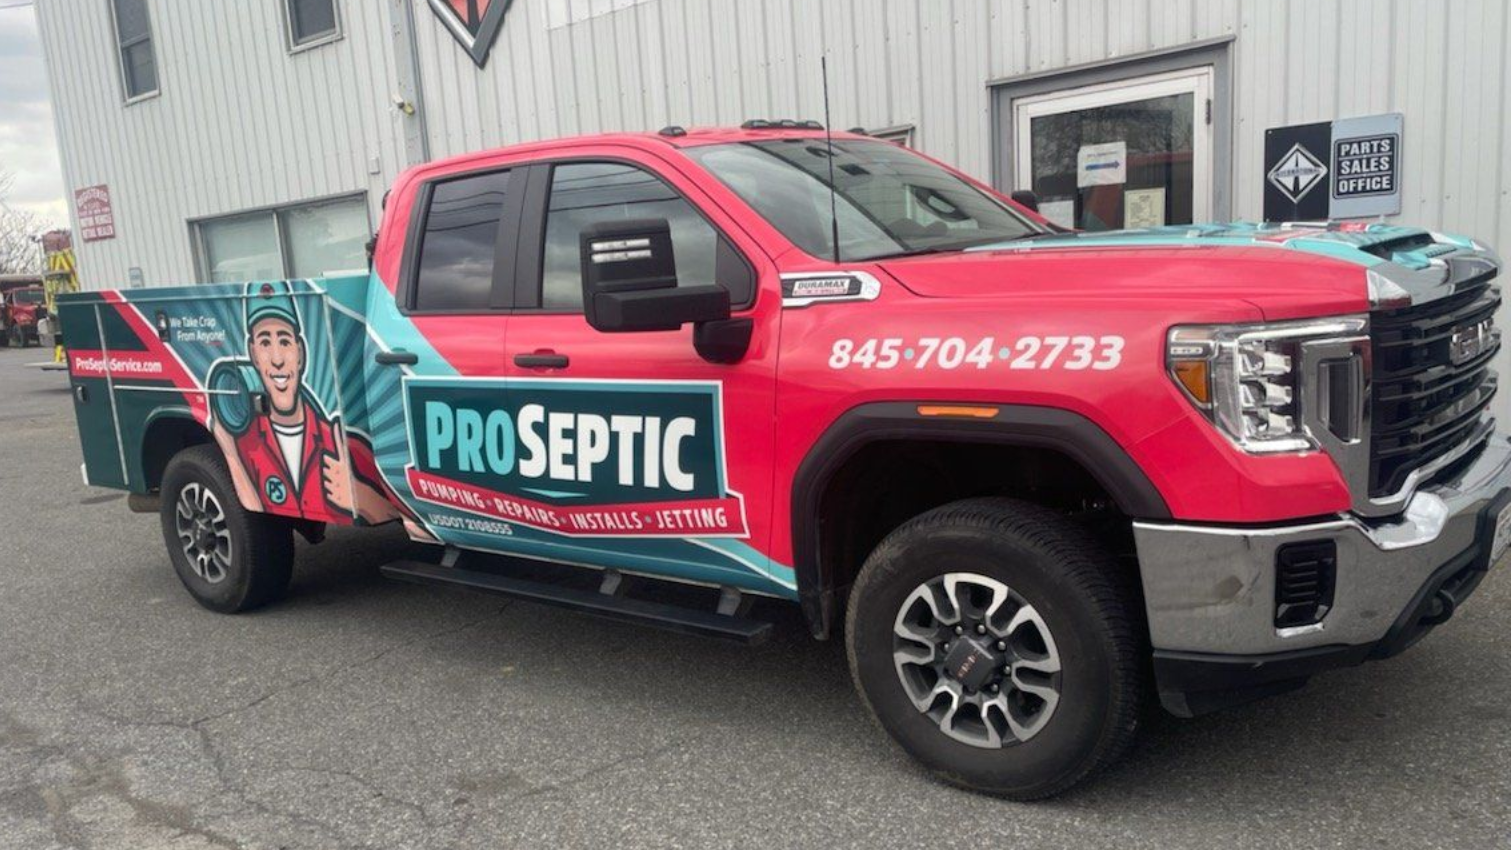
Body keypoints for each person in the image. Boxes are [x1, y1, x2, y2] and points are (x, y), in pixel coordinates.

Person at [212, 281, 400, 525]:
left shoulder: (343, 442)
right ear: (253, 355)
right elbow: (249, 501)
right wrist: (232, 456)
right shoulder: (244, 444)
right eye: (265, 343)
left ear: (300, 352)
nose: (277, 360)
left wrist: (359, 497)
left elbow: (402, 509)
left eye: (284, 341)